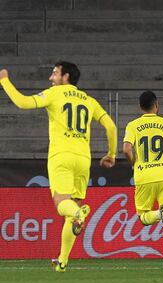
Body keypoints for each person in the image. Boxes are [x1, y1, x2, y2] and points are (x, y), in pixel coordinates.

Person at [0, 62, 117, 272]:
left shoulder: (55, 94)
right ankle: (62, 261)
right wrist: (111, 154)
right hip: (83, 159)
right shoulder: (89, 101)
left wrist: (4, 81)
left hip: (61, 156)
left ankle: (80, 215)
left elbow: (23, 103)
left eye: (54, 73)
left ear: (66, 77)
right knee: (70, 213)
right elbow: (111, 126)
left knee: (63, 205)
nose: (50, 78)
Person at [123, 90, 163, 267]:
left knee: (143, 217)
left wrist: (134, 162)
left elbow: (127, 150)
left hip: (144, 176)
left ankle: (158, 214)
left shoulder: (133, 125)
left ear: (140, 107)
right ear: (156, 105)